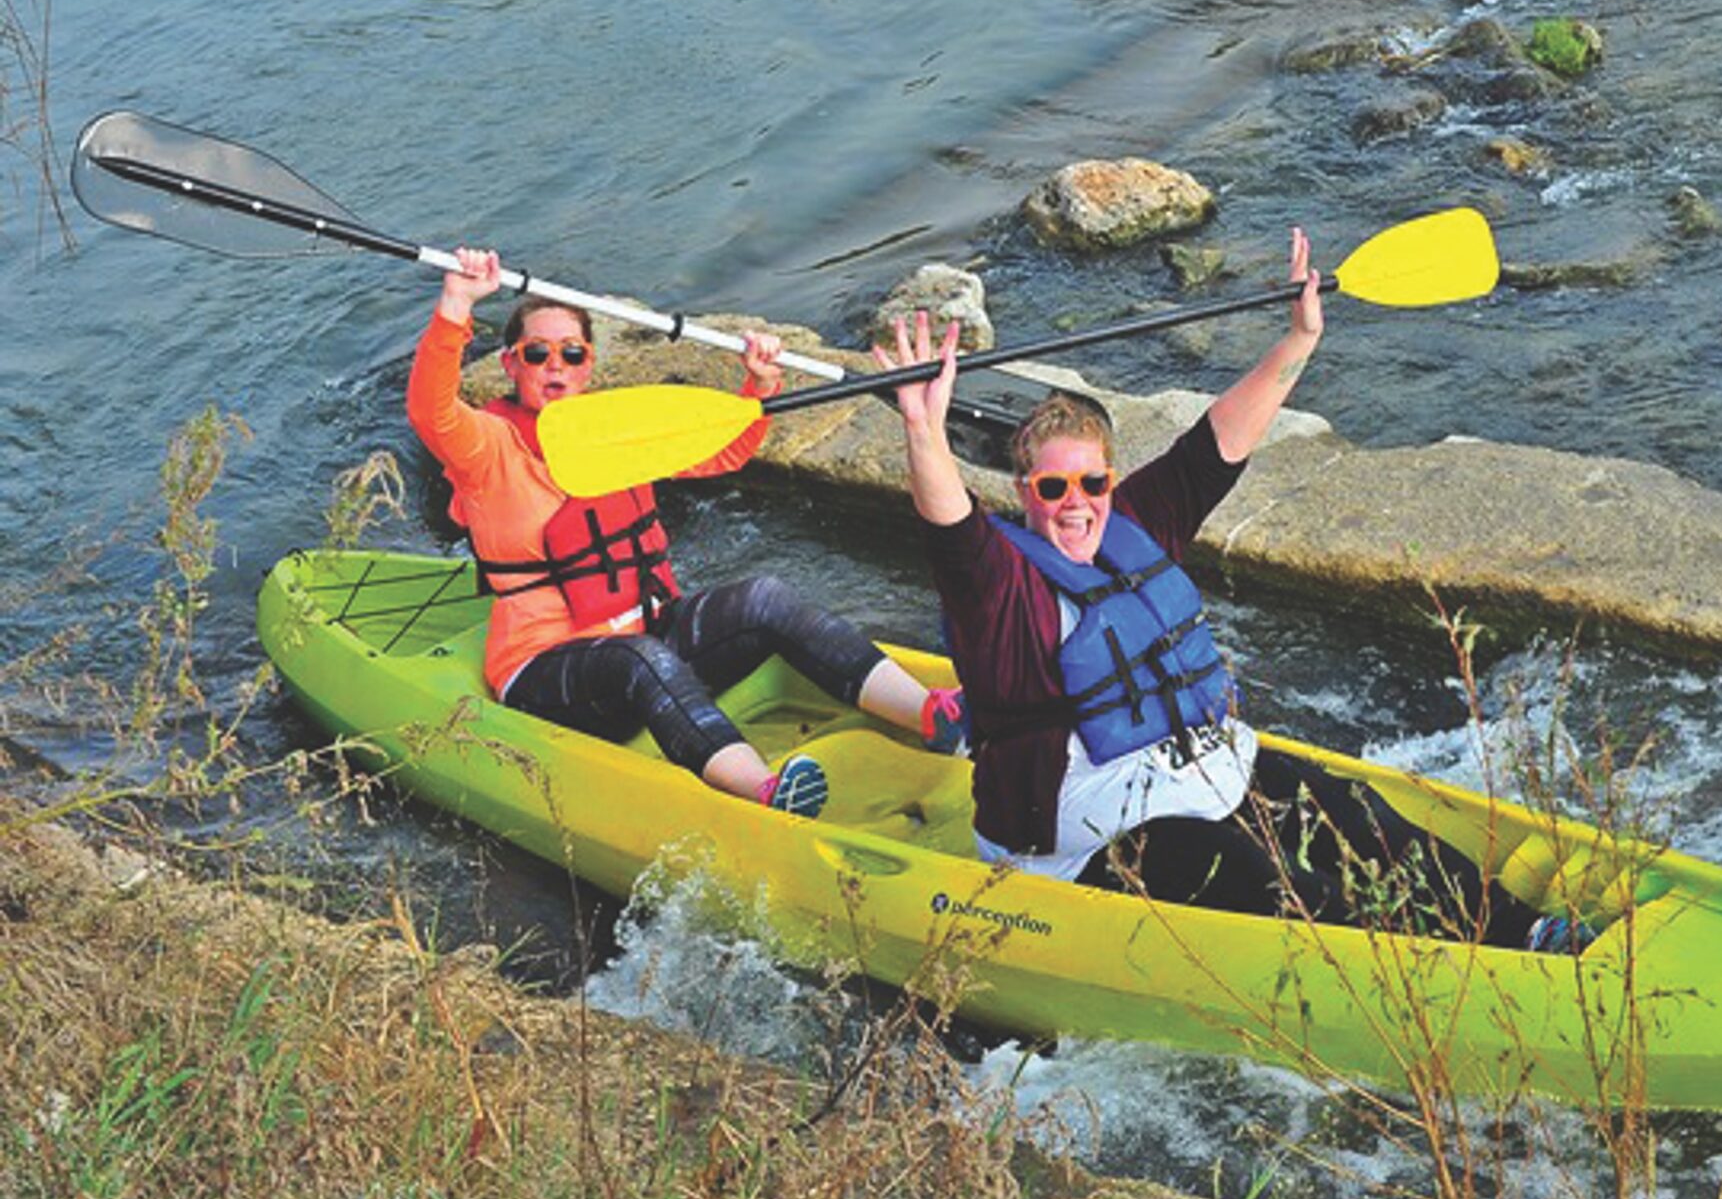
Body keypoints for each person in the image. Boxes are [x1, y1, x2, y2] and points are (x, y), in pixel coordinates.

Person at [889, 230, 1558, 949]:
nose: (1075, 503)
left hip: (1199, 773)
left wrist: (1298, 339)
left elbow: (1218, 445)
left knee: (1357, 812)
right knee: (1286, 888)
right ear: (1026, 491)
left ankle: (1530, 934)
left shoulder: (1135, 523)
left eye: (1092, 482)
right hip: (1079, 842)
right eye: (1053, 487)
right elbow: (952, 533)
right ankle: (1421, 983)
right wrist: (924, 430)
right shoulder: (1003, 589)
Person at [409, 247, 965, 817]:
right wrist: (457, 304)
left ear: (589, 363)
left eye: (571, 353)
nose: (556, 365)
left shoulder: (613, 431)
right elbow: (431, 410)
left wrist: (759, 387)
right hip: (547, 665)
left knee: (764, 598)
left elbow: (723, 454)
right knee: (641, 658)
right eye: (538, 353)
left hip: (648, 629)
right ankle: (766, 790)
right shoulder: (487, 447)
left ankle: (934, 716)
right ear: (511, 364)